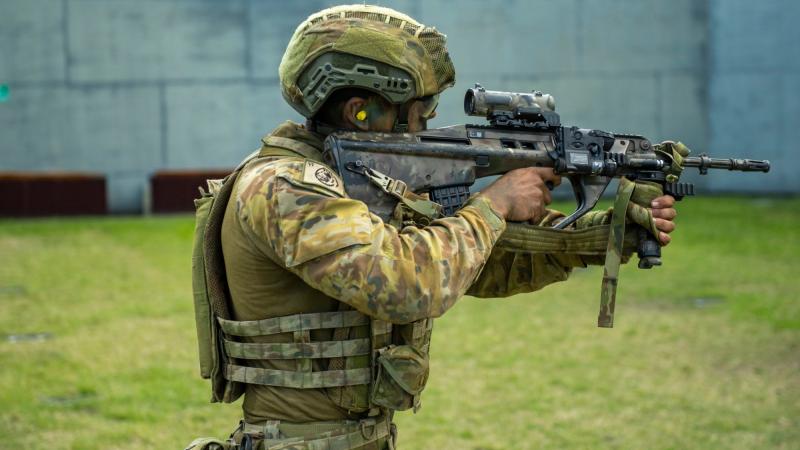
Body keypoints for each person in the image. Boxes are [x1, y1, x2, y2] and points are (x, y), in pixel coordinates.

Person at [187, 4, 677, 449]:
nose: (425, 126)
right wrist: (494, 205)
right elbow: (405, 284)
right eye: (418, 111)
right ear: (362, 107)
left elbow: (468, 264)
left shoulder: (359, 184)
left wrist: (600, 235)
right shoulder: (284, 187)